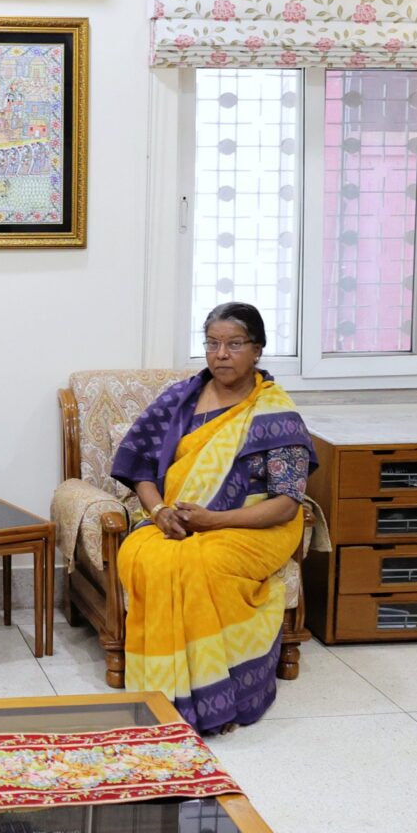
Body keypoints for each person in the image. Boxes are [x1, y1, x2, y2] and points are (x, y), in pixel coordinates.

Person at [112, 302, 317, 735]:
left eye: (234, 344)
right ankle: (165, 694)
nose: (221, 354)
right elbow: (139, 468)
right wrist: (159, 510)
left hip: (256, 525)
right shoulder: (180, 400)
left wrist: (215, 522)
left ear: (257, 350)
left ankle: (218, 696)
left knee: (201, 565)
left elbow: (286, 503)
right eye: (212, 344)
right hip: (182, 519)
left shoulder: (274, 413)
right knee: (144, 555)